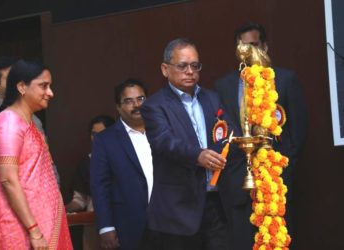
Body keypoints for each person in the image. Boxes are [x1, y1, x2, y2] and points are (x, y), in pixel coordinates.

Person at [215, 22, 308, 248]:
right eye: (243, 46)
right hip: (238, 182)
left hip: (274, 180)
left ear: (265, 46)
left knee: (276, 240)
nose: (249, 51)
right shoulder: (223, 85)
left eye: (254, 45)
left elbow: (298, 129)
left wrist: (284, 168)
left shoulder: (285, 79)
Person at [140, 38, 238, 250]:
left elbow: (229, 133)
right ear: (165, 69)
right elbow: (164, 142)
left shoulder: (212, 99)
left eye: (195, 66)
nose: (190, 71)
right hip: (178, 210)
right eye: (182, 66)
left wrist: (223, 149)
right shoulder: (154, 106)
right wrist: (198, 155)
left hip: (215, 203)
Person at [0, 59, 72, 249]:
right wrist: (35, 231)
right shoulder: (9, 124)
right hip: (22, 231)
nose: (50, 93)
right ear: (21, 87)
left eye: (50, 86)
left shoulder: (28, 123)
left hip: (43, 223)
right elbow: (8, 180)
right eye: (43, 86)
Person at [90, 79, 153, 250]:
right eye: (128, 101)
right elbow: (99, 186)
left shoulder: (160, 132)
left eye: (141, 99)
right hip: (127, 224)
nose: (136, 105)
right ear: (118, 107)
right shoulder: (105, 140)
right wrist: (106, 227)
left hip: (165, 223)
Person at [0, 56, 60, 185]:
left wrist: (55, 187)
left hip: (38, 195)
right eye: (10, 80)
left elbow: (46, 159)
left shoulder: (34, 119)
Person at [66, 115, 115, 250]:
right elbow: (79, 201)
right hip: (94, 225)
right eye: (94, 134)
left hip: (122, 222)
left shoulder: (124, 160)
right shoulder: (86, 164)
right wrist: (62, 210)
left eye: (102, 134)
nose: (97, 138)